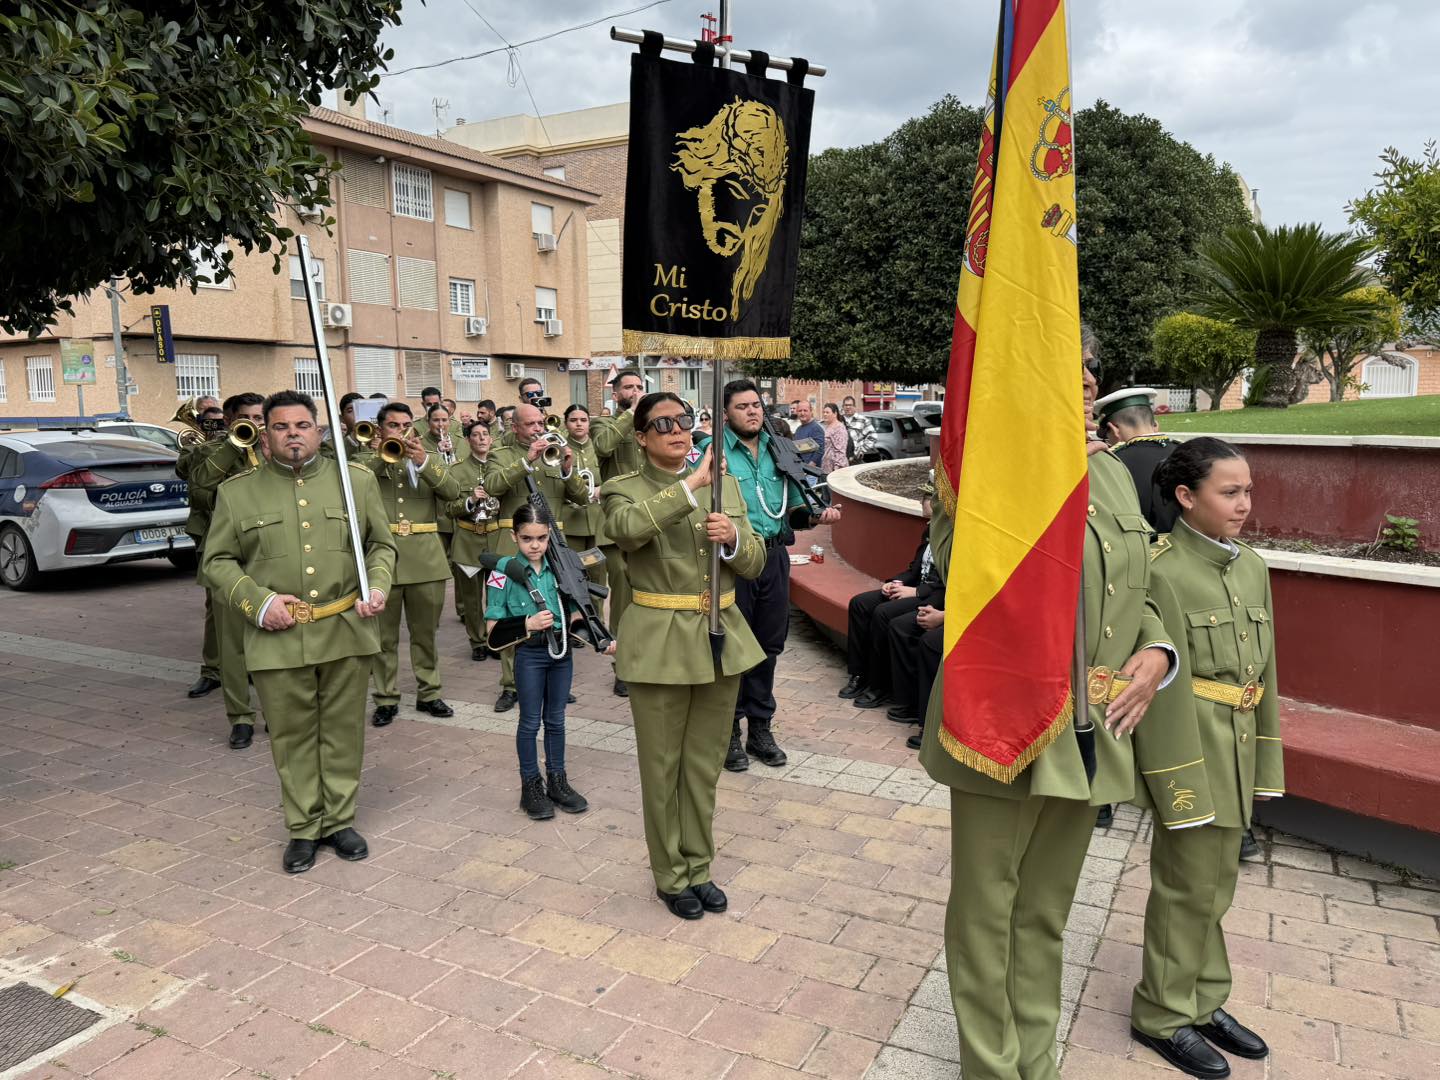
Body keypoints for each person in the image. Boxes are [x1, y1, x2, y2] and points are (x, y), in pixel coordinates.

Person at [917, 345, 1210, 1080]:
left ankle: (1036, 1063)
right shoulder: (990, 466)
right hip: (1004, 721)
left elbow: (1140, 591)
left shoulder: (1111, 472)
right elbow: (958, 571)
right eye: (1062, 363)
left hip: (1092, 729)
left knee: (1045, 916)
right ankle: (989, 1066)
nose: (1082, 383)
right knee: (988, 912)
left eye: (1088, 373)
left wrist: (1160, 653)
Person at [1128, 438, 1282, 1079]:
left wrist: (1268, 761)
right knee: (1185, 885)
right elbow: (1159, 684)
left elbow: (1267, 674)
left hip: (1240, 747)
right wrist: (1172, 778)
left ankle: (1203, 998)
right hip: (1190, 747)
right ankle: (1161, 1013)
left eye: (1248, 490)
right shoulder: (1158, 569)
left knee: (1218, 885)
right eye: (1229, 491)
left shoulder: (1251, 567)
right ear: (1186, 497)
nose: (1244, 504)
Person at [201, 390, 395, 873]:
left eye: (302, 425)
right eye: (282, 426)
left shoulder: (356, 482)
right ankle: (304, 827)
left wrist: (378, 584)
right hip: (277, 636)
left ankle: (339, 821)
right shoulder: (237, 491)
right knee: (291, 737)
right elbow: (217, 562)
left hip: (345, 627)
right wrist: (257, 601)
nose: (293, 434)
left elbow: (381, 546)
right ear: (265, 435)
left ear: (319, 431)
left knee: (343, 732)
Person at [602, 391, 766, 919]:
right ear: (643, 437)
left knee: (703, 765)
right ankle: (670, 875)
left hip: (719, 636)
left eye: (685, 420)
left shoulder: (729, 487)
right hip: (659, 641)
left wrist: (735, 538)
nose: (677, 430)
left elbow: (756, 562)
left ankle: (699, 866)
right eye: (663, 423)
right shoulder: (622, 489)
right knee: (662, 765)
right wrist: (692, 487)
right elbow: (625, 533)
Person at [706, 380, 841, 772]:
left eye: (756, 405)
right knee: (732, 647)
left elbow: (794, 508)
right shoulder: (715, 454)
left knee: (768, 645)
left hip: (774, 557)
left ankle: (760, 727)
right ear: (726, 414)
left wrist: (816, 516)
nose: (752, 412)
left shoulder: (778, 449)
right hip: (731, 560)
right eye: (742, 406)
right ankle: (729, 729)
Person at [486, 504, 610, 820]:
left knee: (556, 719)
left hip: (562, 653)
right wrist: (526, 623)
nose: (535, 545)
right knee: (530, 722)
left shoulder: (559, 567)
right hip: (530, 654)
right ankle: (531, 786)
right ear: (514, 536)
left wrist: (602, 640)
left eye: (541, 538)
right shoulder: (502, 572)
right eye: (527, 538)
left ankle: (558, 780)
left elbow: (577, 612)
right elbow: (491, 631)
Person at [358, 402, 461, 726]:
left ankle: (429, 693)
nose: (400, 432)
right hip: (382, 560)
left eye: (405, 426)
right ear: (380, 429)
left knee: (425, 634)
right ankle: (386, 698)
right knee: (383, 637)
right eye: (393, 426)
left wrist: (424, 462)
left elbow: (453, 492)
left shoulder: (426, 458)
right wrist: (380, 455)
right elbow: (354, 488)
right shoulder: (367, 462)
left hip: (425, 561)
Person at [483, 403, 590, 712]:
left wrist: (568, 467)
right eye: (530, 424)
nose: (538, 428)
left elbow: (581, 498)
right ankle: (510, 684)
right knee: (514, 614)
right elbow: (491, 486)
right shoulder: (502, 455)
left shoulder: (555, 452)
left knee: (556, 608)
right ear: (515, 427)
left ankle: (554, 676)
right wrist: (525, 461)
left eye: (540, 422)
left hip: (552, 547)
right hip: (515, 547)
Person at [185, 392, 266, 748]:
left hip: (270, 553)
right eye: (249, 418)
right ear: (230, 422)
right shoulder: (211, 452)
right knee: (230, 642)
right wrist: (234, 445)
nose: (258, 424)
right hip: (228, 554)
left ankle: (277, 710)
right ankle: (240, 717)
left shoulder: (275, 450)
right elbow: (201, 490)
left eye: (262, 418)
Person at [839, 494, 941, 706]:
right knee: (860, 604)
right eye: (926, 518)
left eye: (932, 517)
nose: (928, 523)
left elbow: (950, 582)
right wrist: (895, 582)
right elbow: (914, 568)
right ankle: (859, 675)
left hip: (933, 596)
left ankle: (880, 685)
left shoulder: (954, 539)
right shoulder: (930, 530)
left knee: (883, 614)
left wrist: (916, 592)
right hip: (915, 588)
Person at [591, 367, 646, 698]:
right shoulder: (605, 423)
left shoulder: (649, 423)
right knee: (623, 598)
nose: (636, 391)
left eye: (640, 386)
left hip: (651, 519)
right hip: (618, 524)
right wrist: (632, 415)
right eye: (630, 387)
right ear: (616, 394)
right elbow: (602, 447)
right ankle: (621, 665)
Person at [444, 420, 499, 661]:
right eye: (475, 435)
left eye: (485, 434)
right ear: (468, 441)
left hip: (496, 540)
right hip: (468, 540)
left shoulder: (501, 467)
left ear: (492, 438)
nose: (481, 438)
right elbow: (448, 508)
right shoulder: (457, 470)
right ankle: (477, 641)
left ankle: (495, 638)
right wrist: (469, 501)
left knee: (497, 593)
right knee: (472, 597)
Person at [1094, 387, 1179, 533]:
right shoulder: (1184, 451)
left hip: (1138, 551)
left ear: (1114, 429)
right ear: (1156, 425)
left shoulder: (1110, 462)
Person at [421, 403, 470, 624]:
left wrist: (453, 454)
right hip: (435, 512)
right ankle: (432, 611)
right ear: (428, 421)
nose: (440, 425)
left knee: (461, 563)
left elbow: (465, 470)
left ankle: (463, 608)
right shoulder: (421, 443)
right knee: (438, 565)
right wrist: (439, 455)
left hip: (458, 510)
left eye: (444, 420)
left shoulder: (460, 442)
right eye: (436, 420)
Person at [562, 403, 607, 588]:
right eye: (573, 420)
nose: (578, 424)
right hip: (572, 522)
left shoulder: (600, 448)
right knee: (573, 575)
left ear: (589, 423)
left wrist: (603, 488)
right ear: (565, 424)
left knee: (596, 575)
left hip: (598, 520)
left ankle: (598, 617)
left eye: (583, 420)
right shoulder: (559, 449)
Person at [842, 396, 879, 464]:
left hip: (855, 457)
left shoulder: (863, 420)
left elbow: (873, 436)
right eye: (846, 405)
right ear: (843, 407)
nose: (848, 407)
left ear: (854, 406)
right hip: (841, 457)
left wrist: (862, 449)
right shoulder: (840, 420)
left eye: (850, 405)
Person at [789, 399, 824, 471]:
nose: (802, 413)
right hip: (800, 469)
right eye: (800, 411)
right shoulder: (798, 429)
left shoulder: (816, 428)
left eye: (805, 410)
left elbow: (819, 450)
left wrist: (809, 468)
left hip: (811, 472)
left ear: (811, 411)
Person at [820, 402, 849, 474]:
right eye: (824, 412)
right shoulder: (828, 427)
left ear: (835, 413)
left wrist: (837, 468)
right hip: (826, 468)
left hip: (835, 470)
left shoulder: (839, 428)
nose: (825, 414)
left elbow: (840, 450)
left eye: (827, 412)